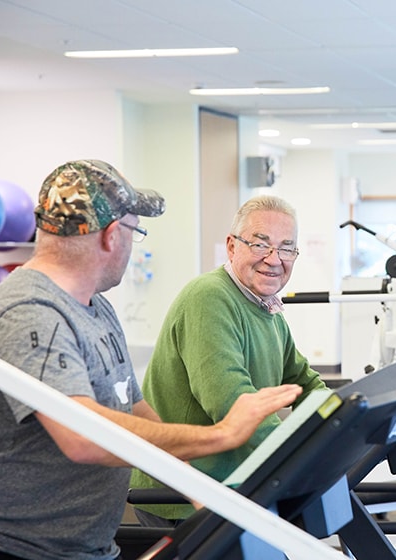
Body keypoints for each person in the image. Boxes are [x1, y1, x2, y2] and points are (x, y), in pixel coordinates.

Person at [0, 160, 301, 560]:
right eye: (135, 231)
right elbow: (82, 435)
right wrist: (222, 435)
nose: (132, 243)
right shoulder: (29, 311)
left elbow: (136, 410)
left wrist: (199, 491)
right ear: (111, 236)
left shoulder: (95, 307)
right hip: (18, 550)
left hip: (87, 546)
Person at [130, 194, 327, 526]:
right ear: (232, 246)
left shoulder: (268, 309)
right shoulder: (209, 298)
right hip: (186, 496)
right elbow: (232, 401)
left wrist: (343, 422)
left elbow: (305, 383)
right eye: (260, 245)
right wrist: (295, 459)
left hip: (236, 488)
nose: (274, 259)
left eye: (286, 248)